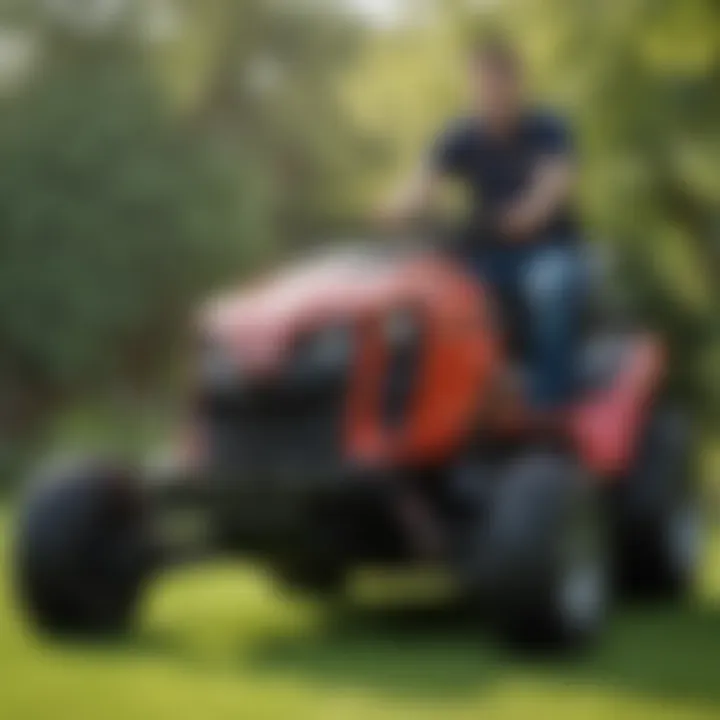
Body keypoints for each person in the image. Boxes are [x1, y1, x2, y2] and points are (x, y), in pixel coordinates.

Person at [379, 35, 585, 415]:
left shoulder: (547, 129)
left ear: (515, 84)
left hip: (546, 250)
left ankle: (549, 404)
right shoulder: (461, 135)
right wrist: (397, 206)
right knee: (424, 298)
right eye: (478, 83)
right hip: (485, 254)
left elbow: (554, 182)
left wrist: (528, 213)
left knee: (551, 288)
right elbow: (424, 179)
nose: (486, 92)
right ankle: (447, 404)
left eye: (495, 82)